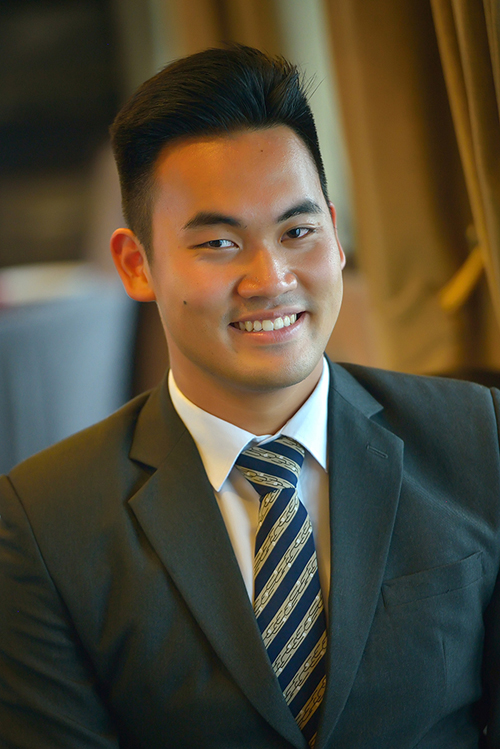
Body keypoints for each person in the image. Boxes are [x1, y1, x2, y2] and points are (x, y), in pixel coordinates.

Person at [1, 44, 499, 749]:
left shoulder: (477, 437)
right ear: (136, 265)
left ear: (334, 236)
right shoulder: (44, 522)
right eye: (218, 243)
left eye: (298, 231)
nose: (272, 279)